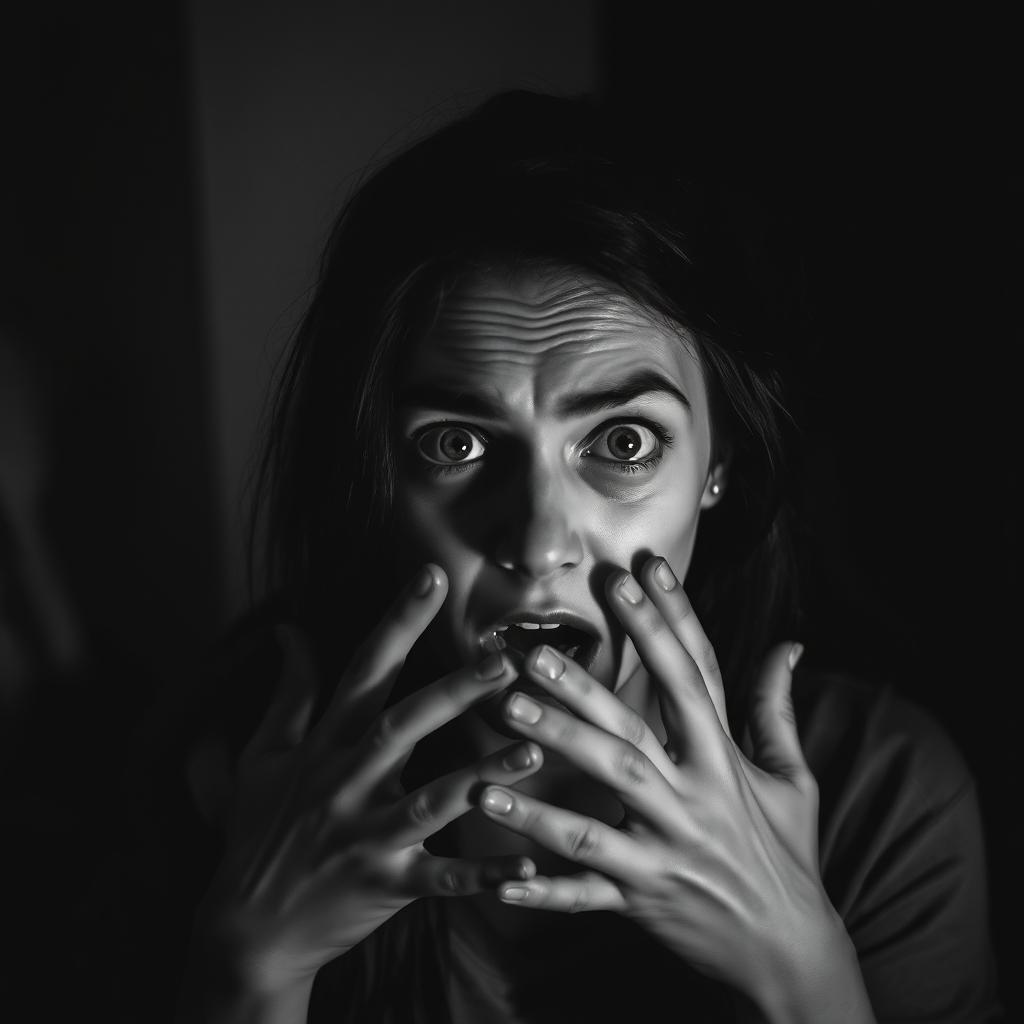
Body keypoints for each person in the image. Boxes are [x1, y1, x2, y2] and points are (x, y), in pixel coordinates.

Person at [172, 91, 1002, 1022]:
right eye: (456, 446)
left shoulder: (883, 800)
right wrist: (249, 973)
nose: (537, 542)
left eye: (622, 444)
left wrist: (800, 972)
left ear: (718, 467)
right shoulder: (239, 786)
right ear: (377, 481)